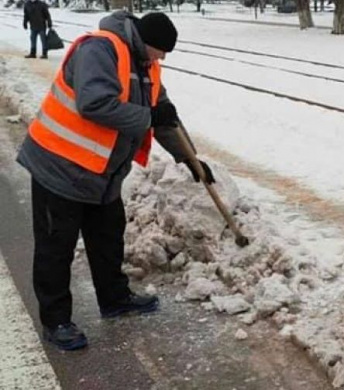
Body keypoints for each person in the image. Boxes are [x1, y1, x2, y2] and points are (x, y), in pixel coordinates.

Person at [16, 11, 215, 351]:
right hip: (59, 166)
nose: (162, 58)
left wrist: (189, 158)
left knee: (108, 237)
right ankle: (56, 320)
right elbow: (94, 104)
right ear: (145, 41)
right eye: (160, 51)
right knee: (56, 247)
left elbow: (163, 114)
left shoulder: (147, 66)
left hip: (101, 174)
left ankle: (114, 299)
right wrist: (149, 116)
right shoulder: (100, 50)